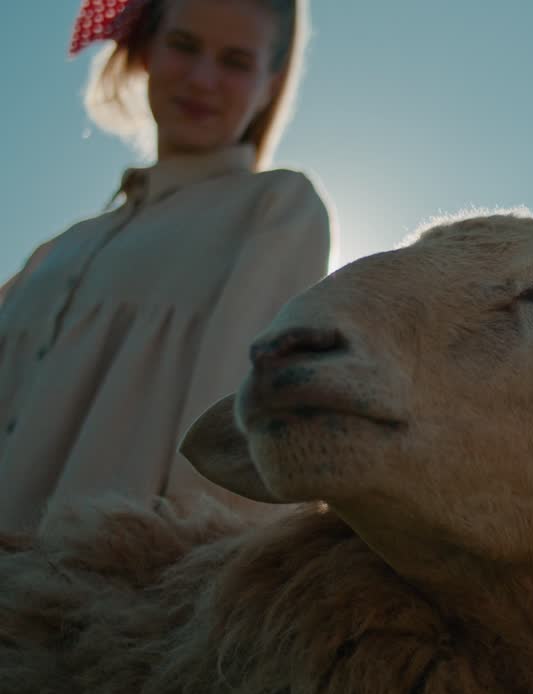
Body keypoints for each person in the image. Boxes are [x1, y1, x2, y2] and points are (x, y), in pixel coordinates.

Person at [0, 0, 330, 534]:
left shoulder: (274, 209)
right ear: (147, 51)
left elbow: (234, 461)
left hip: (102, 580)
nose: (202, 78)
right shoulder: (55, 250)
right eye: (183, 46)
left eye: (235, 61)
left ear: (270, 85)